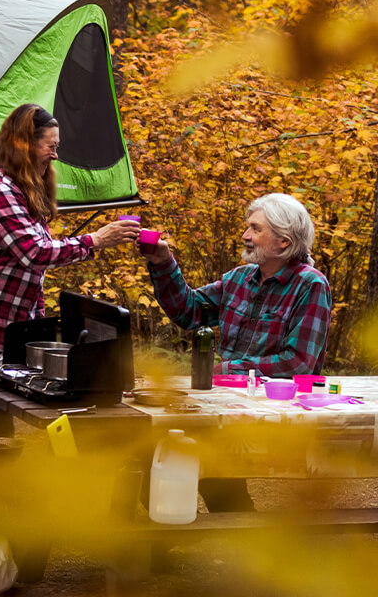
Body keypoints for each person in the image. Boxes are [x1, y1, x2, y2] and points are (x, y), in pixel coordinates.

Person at [0, 103, 140, 518]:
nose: (55, 154)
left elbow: (25, 271)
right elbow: (32, 252)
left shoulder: (22, 189)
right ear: (23, 145)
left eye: (57, 146)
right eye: (49, 146)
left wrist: (36, 331)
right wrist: (96, 240)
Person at [142, 192, 331, 510]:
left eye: (255, 229)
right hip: (224, 406)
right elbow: (189, 311)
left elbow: (298, 363)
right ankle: (159, 542)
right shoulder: (240, 278)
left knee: (180, 454)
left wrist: (227, 371)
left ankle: (176, 541)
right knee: (155, 449)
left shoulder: (310, 285)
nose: (245, 235)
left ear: (283, 242)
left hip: (274, 415)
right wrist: (163, 262)